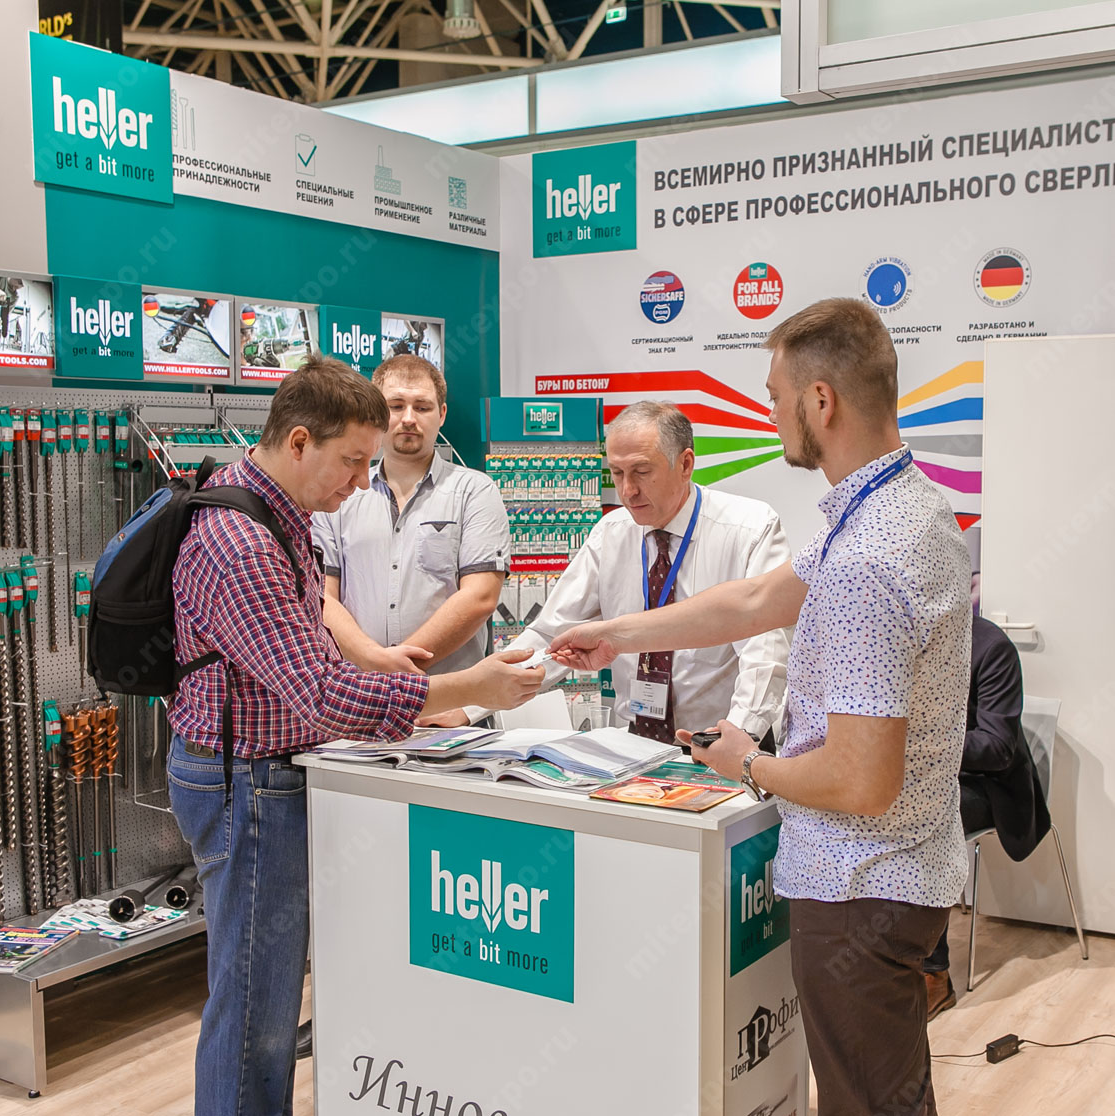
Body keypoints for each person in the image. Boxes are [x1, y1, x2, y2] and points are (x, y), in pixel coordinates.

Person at [550, 298, 971, 1116]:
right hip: (899, 875)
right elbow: (751, 601)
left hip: (859, 886)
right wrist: (614, 632)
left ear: (821, 401)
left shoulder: (867, 557)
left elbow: (862, 781)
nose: (769, 413)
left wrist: (747, 762)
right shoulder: (902, 506)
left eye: (775, 396)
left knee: (865, 1103)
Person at [167, 356, 543, 1116]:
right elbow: (323, 693)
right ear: (299, 442)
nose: (360, 484)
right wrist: (468, 688)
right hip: (247, 784)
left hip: (269, 773)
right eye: (351, 462)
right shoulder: (242, 543)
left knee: (268, 997)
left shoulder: (279, 515)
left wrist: (385, 666)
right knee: (255, 1007)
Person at [439, 401, 790, 745]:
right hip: (637, 746)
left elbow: (765, 653)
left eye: (642, 472)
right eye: (617, 473)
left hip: (719, 742)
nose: (627, 491)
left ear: (685, 464)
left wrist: (737, 736)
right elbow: (553, 636)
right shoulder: (611, 533)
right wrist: (467, 705)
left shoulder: (749, 529)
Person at [312, 353, 509, 677]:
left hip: (449, 697)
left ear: (441, 414)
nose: (408, 418)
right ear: (376, 413)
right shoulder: (339, 495)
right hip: (361, 694)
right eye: (395, 406)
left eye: (422, 407)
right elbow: (322, 599)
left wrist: (396, 668)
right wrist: (374, 661)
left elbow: (481, 597)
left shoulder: (474, 492)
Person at [923, 614, 1051, 1019]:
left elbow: (997, 748)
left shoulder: (991, 647)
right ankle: (888, 956)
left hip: (989, 785)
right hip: (928, 775)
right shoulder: (904, 639)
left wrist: (922, 741)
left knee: (925, 819)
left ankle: (933, 974)